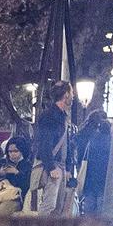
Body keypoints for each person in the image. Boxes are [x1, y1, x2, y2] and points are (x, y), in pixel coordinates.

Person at [29, 81, 79, 214]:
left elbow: (65, 144)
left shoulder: (61, 116)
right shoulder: (49, 116)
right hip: (53, 166)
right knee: (49, 206)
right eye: (72, 92)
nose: (73, 96)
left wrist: (67, 167)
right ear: (66, 94)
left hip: (59, 167)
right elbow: (44, 142)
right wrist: (51, 167)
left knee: (58, 206)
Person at [0, 139, 29, 216]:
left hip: (15, 198)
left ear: (22, 151)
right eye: (10, 151)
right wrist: (0, 174)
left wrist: (17, 173)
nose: (12, 154)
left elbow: (27, 186)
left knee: (2, 211)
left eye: (16, 151)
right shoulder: (1, 162)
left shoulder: (27, 165)